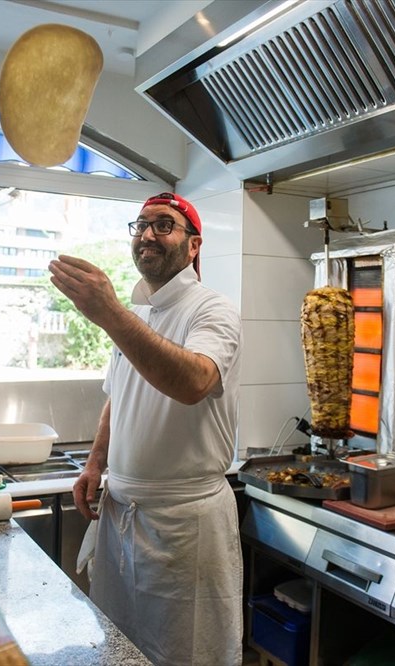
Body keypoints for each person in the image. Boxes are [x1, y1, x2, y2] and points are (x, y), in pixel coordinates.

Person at [48, 192, 243, 665]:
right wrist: (95, 463)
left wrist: (108, 312)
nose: (147, 235)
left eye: (163, 225)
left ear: (193, 246)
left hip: (185, 525)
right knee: (120, 646)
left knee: (186, 652)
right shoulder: (138, 317)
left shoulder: (212, 310)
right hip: (123, 514)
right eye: (139, 226)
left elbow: (194, 381)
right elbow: (119, 396)